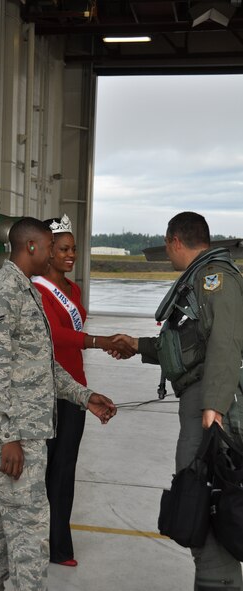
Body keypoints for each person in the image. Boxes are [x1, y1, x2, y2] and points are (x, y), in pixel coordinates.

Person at [0, 216, 118, 591]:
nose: (55, 252)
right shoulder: (3, 293)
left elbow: (43, 363)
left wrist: (85, 397)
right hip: (16, 432)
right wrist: (8, 436)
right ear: (32, 247)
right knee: (30, 528)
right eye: (51, 246)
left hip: (31, 429)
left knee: (3, 519)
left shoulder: (29, 292)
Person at [114, 211, 243, 591]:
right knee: (199, 496)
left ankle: (217, 581)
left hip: (209, 406)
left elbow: (225, 343)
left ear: (174, 240)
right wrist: (137, 346)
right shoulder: (201, 280)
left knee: (203, 498)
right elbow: (189, 346)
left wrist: (214, 407)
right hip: (201, 400)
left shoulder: (214, 279)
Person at [32, 213, 134, 567]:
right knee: (42, 470)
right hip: (45, 388)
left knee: (65, 468)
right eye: (63, 249)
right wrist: (99, 341)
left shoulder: (72, 289)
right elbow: (54, 335)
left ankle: (59, 545)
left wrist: (101, 344)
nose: (70, 255)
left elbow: (71, 338)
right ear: (47, 251)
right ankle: (37, 541)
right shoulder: (35, 291)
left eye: (73, 248)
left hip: (75, 388)